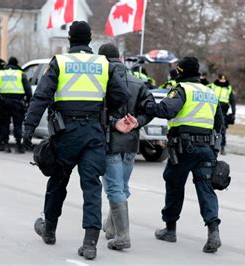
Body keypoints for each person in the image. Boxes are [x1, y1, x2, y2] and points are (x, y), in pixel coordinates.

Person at [23, 21, 130, 260]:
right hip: (94, 132)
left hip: (65, 133)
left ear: (70, 39)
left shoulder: (60, 62)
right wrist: (105, 111)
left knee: (58, 181)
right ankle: (90, 242)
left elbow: (41, 96)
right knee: (91, 186)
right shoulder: (103, 63)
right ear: (90, 39)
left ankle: (49, 230)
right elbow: (122, 95)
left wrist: (28, 127)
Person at [143, 57, 224, 253]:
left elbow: (167, 110)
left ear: (180, 72)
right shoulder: (210, 92)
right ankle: (213, 231)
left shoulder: (181, 89)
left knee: (174, 185)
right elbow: (219, 124)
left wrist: (147, 104)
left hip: (184, 148)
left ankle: (170, 230)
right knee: (205, 189)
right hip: (206, 149)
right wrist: (214, 150)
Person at [98, 43, 153, 250]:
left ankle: (122, 235)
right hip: (131, 143)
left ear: (102, 59)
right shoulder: (138, 82)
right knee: (121, 186)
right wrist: (138, 121)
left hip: (110, 141)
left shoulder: (102, 80)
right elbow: (150, 109)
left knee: (114, 188)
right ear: (120, 59)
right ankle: (112, 228)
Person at [0, 57, 31, 153]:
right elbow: (28, 90)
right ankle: (18, 145)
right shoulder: (20, 74)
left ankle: (6, 145)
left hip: (4, 103)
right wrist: (29, 102)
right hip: (17, 103)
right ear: (16, 64)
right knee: (18, 124)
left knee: (5, 123)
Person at [208, 73, 236, 155]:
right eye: (221, 79)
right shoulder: (212, 86)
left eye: (224, 79)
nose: (223, 81)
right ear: (218, 79)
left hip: (223, 111)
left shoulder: (228, 88)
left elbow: (232, 100)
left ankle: (222, 146)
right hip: (212, 109)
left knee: (222, 129)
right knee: (210, 127)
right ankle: (210, 145)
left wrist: (233, 112)